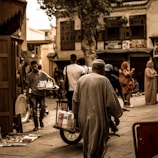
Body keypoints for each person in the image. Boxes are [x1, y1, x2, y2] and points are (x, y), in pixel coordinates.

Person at [72, 59, 123, 158]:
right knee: (97, 144)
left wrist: (75, 117)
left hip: (83, 116)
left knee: (87, 143)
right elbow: (111, 100)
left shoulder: (81, 80)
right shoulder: (104, 80)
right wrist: (116, 115)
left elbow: (75, 100)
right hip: (98, 117)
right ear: (102, 69)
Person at [26, 60, 56, 131]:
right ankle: (36, 125)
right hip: (34, 94)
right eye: (33, 67)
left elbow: (52, 79)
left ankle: (41, 120)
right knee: (34, 110)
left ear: (37, 65)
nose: (34, 68)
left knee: (43, 109)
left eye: (35, 66)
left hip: (42, 94)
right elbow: (28, 86)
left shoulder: (43, 74)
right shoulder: (29, 76)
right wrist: (27, 96)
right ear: (31, 67)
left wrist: (53, 85)